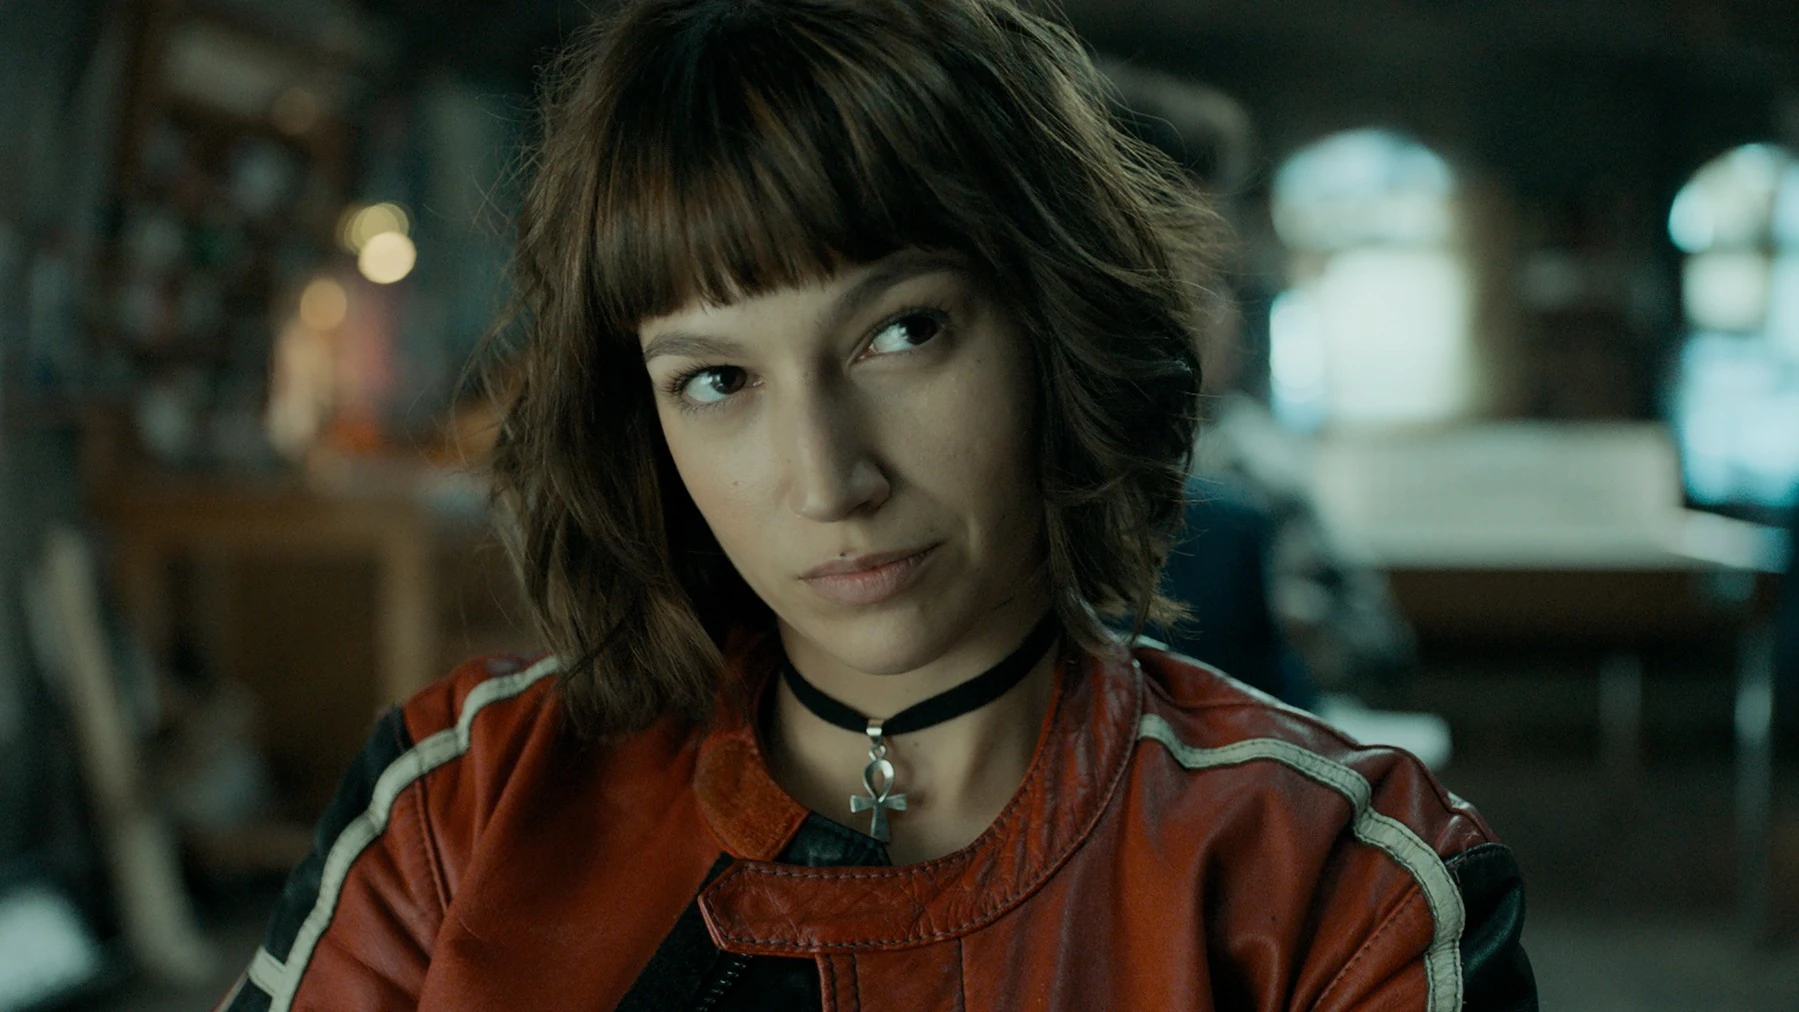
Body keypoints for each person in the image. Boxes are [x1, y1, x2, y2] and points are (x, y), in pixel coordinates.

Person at [218, 1, 1536, 1008]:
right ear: (639, 421)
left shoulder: (1337, 886)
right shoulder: (465, 807)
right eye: (717, 379)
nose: (827, 479)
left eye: (900, 333)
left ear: (1053, 320)